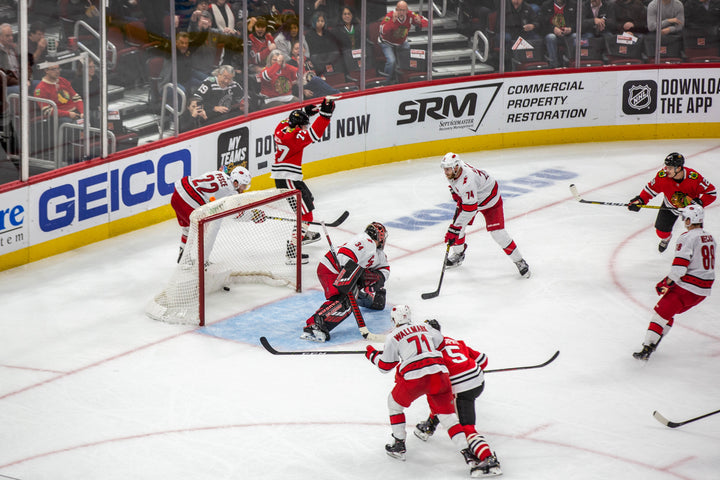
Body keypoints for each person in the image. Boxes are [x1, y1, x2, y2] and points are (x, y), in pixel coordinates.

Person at [364, 305, 500, 477]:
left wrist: (371, 354)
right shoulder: (427, 328)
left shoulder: (393, 336)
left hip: (417, 376)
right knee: (448, 417)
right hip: (441, 374)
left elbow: (385, 367)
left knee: (394, 404)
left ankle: (399, 444)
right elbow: (441, 343)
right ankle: (469, 455)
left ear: (394, 320)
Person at [414, 319, 502, 477]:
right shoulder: (455, 341)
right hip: (478, 380)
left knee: (466, 427)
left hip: (462, 388)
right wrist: (466, 368)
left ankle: (489, 460)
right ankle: (430, 423)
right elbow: (483, 360)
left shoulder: (429, 350)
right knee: (441, 396)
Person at [633, 204, 715, 361]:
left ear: (691, 220)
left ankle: (647, 348)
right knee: (668, 313)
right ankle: (653, 343)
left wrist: (666, 282)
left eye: (686, 218)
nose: (685, 221)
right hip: (703, 291)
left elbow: (679, 269)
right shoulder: (709, 237)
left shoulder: (687, 237)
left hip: (688, 288)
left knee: (660, 315)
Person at [441, 152, 531, 278]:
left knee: (498, 234)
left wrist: (455, 228)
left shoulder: (467, 180)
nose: (446, 171)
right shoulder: (457, 170)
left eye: (448, 169)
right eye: (444, 168)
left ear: (456, 167)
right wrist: (455, 192)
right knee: (458, 228)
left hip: (490, 200)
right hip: (473, 197)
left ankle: (519, 261)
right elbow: (461, 190)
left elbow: (470, 209)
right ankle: (459, 254)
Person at [300, 222, 390, 341]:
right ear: (381, 237)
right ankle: (315, 323)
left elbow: (384, 269)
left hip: (345, 271)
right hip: (331, 270)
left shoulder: (378, 253)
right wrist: (350, 273)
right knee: (346, 302)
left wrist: (376, 282)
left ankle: (369, 300)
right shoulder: (365, 240)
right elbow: (344, 254)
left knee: (363, 281)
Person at [271, 97, 335, 247]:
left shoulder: (280, 129)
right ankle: (293, 248)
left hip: (285, 177)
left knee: (308, 199)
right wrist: (325, 115)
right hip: (288, 178)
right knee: (307, 214)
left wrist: (304, 112)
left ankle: (302, 234)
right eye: (304, 125)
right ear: (299, 126)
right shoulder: (295, 137)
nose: (306, 127)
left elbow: (288, 121)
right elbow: (315, 134)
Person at [171, 165, 263, 262]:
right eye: (243, 185)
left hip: (178, 193)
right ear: (236, 183)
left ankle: (183, 255)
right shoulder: (231, 193)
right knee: (209, 228)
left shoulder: (221, 173)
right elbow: (236, 214)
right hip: (189, 201)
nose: (244, 189)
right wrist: (253, 216)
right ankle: (202, 261)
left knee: (188, 228)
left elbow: (222, 168)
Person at [627, 152, 716, 252]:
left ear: (678, 168)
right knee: (661, 232)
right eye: (666, 167)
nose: (666, 170)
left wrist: (700, 203)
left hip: (691, 210)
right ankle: (666, 238)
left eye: (669, 168)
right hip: (670, 206)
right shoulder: (662, 176)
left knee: (696, 236)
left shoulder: (693, 177)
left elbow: (711, 192)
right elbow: (650, 190)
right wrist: (640, 200)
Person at [378, 1, 428, 83]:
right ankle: (386, 81)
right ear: (396, 9)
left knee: (407, 58)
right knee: (391, 61)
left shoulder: (410, 15)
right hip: (386, 42)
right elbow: (382, 31)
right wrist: (392, 21)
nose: (402, 12)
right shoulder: (390, 15)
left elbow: (426, 21)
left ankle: (404, 77)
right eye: (399, 10)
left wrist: (420, 22)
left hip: (401, 42)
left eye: (404, 10)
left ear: (407, 10)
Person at [539, 0, 578, 68]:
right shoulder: (546, 5)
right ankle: (554, 65)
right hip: (552, 34)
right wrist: (553, 29)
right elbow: (541, 25)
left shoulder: (574, 5)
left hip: (568, 34)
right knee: (551, 37)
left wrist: (571, 29)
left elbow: (579, 22)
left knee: (575, 36)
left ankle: (571, 63)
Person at [305, 11, 342, 76]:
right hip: (317, 61)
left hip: (329, 58)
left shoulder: (328, 33)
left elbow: (332, 47)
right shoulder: (309, 35)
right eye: (318, 21)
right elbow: (311, 50)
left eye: (322, 21)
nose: (320, 23)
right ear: (314, 22)